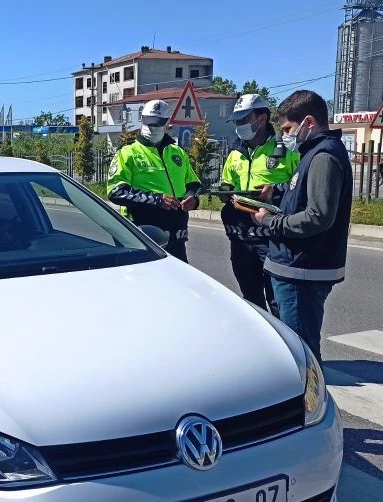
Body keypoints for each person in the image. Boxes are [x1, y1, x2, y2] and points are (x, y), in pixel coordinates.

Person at [252, 90, 352, 363]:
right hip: (296, 267)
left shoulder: (324, 156)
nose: (285, 135)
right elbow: (304, 194)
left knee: (303, 354)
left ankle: (310, 404)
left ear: (309, 122)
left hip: (302, 272)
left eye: (288, 128)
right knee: (297, 346)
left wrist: (270, 222)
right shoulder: (313, 152)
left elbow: (318, 216)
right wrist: (277, 191)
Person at [219, 94, 299, 317]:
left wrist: (275, 190)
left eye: (244, 119)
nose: (239, 125)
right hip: (242, 239)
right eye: (236, 121)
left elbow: (301, 184)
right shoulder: (236, 152)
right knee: (252, 302)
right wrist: (224, 193)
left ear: (262, 118)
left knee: (277, 302)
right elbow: (227, 183)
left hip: (271, 238)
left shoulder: (286, 150)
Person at [107, 99, 202, 262]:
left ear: (167, 123)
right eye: (148, 123)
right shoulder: (127, 153)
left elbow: (193, 184)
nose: (152, 128)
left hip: (176, 235)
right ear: (142, 120)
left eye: (157, 124)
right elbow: (116, 192)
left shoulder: (178, 153)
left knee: (178, 284)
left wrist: (193, 198)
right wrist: (157, 200)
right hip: (143, 234)